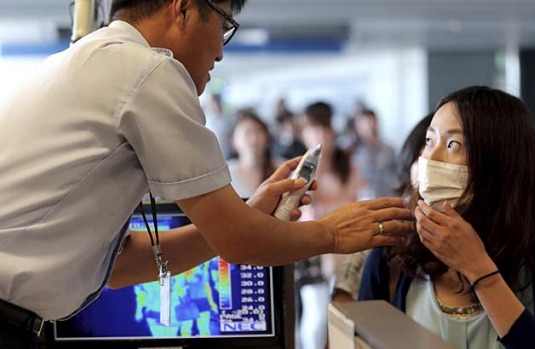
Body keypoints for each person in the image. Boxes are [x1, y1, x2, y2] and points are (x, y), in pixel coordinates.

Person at [0, 1, 414, 348]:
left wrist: (245, 214)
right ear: (183, 9)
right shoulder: (146, 70)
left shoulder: (85, 62)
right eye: (224, 23)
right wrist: (333, 235)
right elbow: (241, 242)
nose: (220, 51)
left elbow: (122, 264)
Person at [359, 86, 535, 349]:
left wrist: (478, 268)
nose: (431, 157)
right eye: (429, 141)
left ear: (499, 161)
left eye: (453, 144)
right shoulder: (396, 246)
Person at [332, 113, 434, 304]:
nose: (433, 165)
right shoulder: (384, 240)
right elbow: (346, 317)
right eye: (424, 155)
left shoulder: (386, 149)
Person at [295, 101, 370, 349]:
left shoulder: (346, 164)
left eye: (324, 129)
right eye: (313, 130)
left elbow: (360, 200)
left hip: (346, 247)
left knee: (345, 313)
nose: (320, 136)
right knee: (316, 317)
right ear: (304, 134)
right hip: (312, 251)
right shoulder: (299, 169)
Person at [227, 109, 282, 198]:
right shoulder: (225, 175)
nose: (254, 139)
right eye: (247, 133)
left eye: (258, 132)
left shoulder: (282, 169)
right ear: (233, 140)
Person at [350, 108, 399, 198]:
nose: (369, 126)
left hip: (388, 197)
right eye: (364, 123)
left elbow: (399, 175)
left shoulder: (389, 150)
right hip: (363, 200)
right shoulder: (352, 152)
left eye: (371, 122)